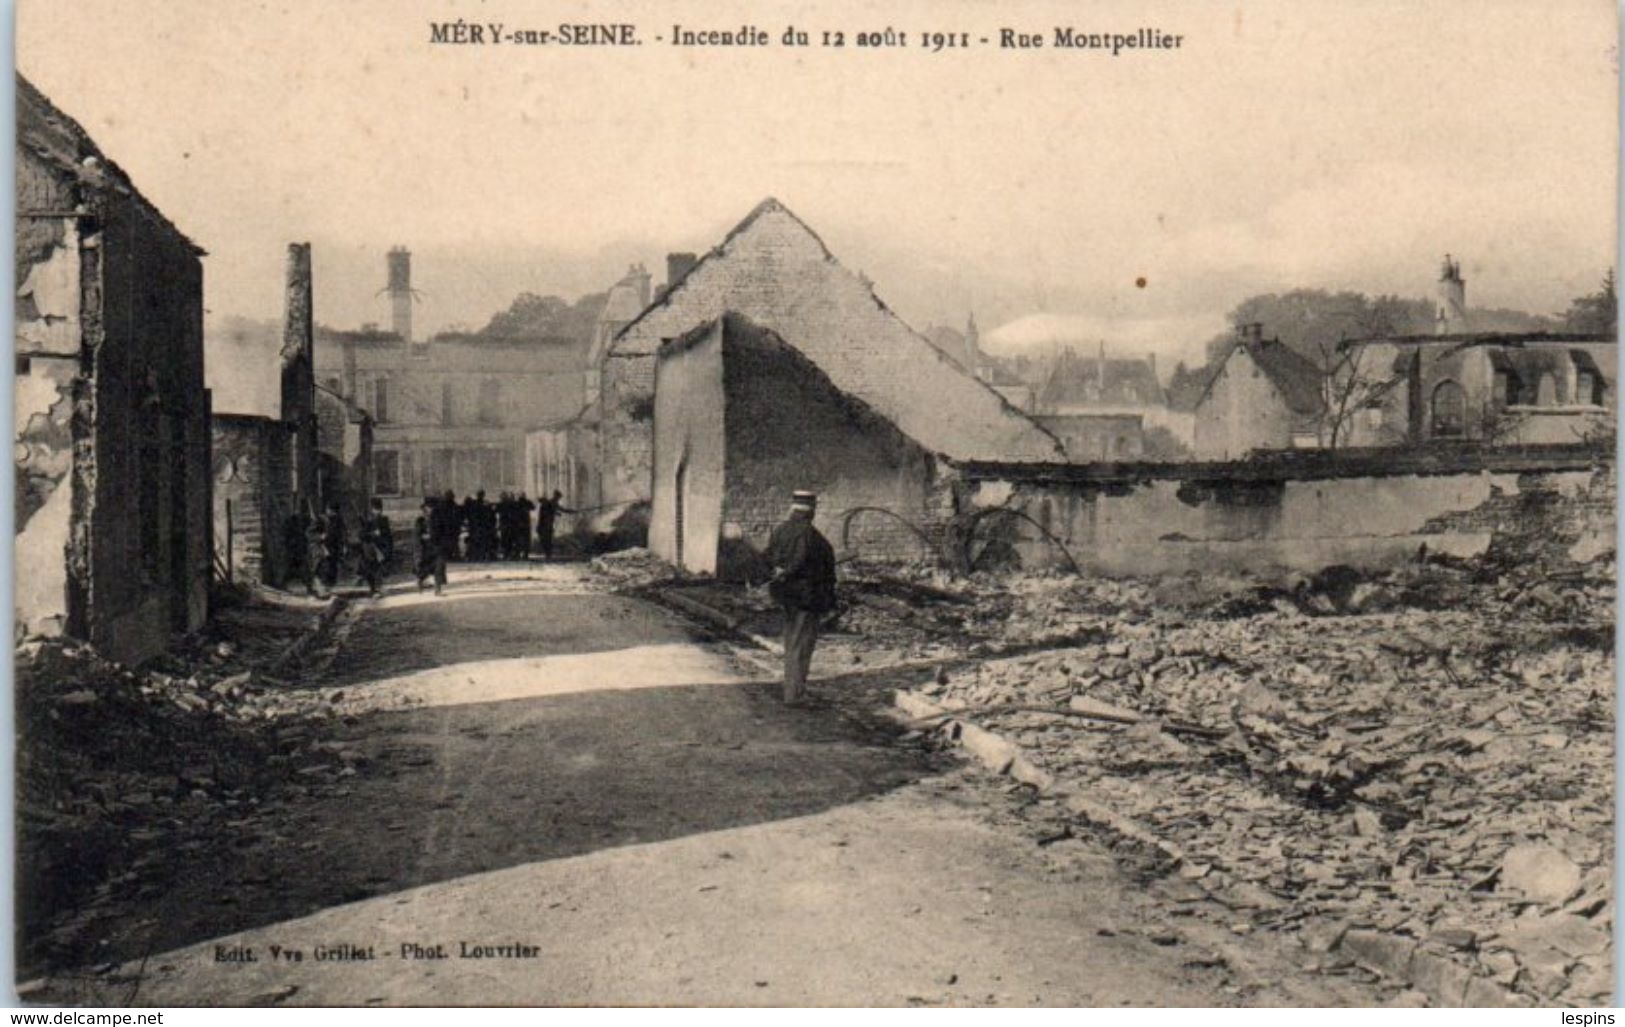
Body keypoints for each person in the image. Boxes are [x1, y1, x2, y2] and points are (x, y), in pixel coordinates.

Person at [765, 490, 838, 705]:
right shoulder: (811, 536)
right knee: (801, 646)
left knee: (792, 642)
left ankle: (793, 689)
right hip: (807, 599)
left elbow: (768, 558)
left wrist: (779, 573)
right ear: (812, 511)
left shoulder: (780, 531)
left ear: (794, 509)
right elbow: (802, 562)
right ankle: (795, 695)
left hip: (787, 597)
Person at [283, 507, 319, 596]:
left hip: (297, 549)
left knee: (300, 569)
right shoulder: (295, 522)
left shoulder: (297, 521)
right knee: (297, 569)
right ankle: (309, 588)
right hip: (296, 550)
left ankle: (309, 588)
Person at [356, 500, 387, 597]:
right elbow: (361, 535)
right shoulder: (367, 521)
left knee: (377, 569)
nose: (378, 512)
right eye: (376, 509)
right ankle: (373, 589)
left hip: (378, 548)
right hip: (369, 548)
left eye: (379, 509)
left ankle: (377, 589)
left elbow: (386, 534)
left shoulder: (383, 520)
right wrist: (373, 534)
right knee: (370, 569)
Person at [536, 489, 574, 561]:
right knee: (547, 540)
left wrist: (558, 513)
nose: (558, 499)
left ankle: (548, 555)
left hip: (545, 524)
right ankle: (548, 555)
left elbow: (555, 510)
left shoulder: (551, 503)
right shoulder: (552, 502)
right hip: (546, 525)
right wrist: (570, 512)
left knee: (546, 540)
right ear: (556, 496)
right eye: (558, 497)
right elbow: (561, 509)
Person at [318, 502, 347, 589]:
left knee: (332, 565)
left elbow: (343, 533)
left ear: (332, 510)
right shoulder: (325, 519)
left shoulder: (338, 520)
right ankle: (327, 584)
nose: (327, 511)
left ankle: (330, 584)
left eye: (328, 509)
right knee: (327, 564)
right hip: (327, 545)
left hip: (334, 545)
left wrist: (344, 545)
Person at [516, 492, 536, 560]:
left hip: (519, 524)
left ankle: (519, 554)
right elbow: (533, 507)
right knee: (526, 539)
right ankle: (525, 554)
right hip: (525, 523)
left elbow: (533, 508)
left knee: (519, 539)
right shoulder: (527, 502)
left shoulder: (517, 503)